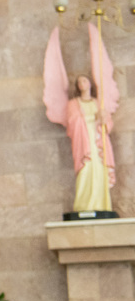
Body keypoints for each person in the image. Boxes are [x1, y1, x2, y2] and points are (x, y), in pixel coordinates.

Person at [43, 23, 119, 213]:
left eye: (85, 80)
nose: (83, 83)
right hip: (84, 144)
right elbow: (72, 123)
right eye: (79, 82)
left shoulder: (97, 102)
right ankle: (85, 206)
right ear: (77, 86)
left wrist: (102, 119)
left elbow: (107, 125)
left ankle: (101, 205)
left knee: (99, 172)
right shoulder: (73, 104)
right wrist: (89, 119)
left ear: (90, 83)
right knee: (85, 172)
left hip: (98, 142)